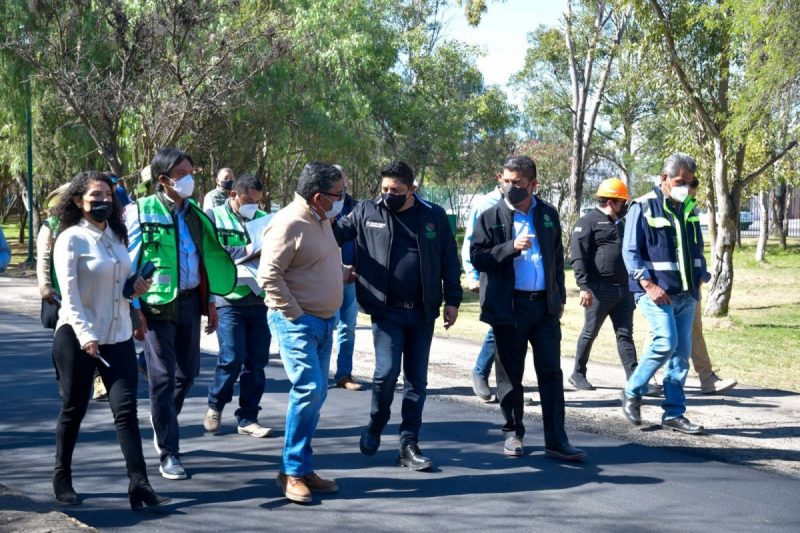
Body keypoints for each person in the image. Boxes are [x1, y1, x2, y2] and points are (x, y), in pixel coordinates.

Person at [50, 171, 168, 510]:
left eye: (107, 196)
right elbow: (70, 296)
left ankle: (139, 483)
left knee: (126, 410)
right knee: (74, 409)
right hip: (77, 337)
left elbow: (120, 287)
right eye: (94, 197)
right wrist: (87, 336)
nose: (103, 201)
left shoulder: (117, 236)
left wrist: (136, 291)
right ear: (77, 201)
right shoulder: (71, 239)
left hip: (117, 336)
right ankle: (62, 476)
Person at [335, 161, 462, 472]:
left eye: (396, 191)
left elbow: (449, 258)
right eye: (385, 189)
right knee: (386, 373)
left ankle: (409, 444)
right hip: (384, 310)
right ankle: (376, 424)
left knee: (417, 381)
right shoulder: (366, 211)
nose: (389, 195)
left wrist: (453, 300)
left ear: (412, 190)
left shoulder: (433, 216)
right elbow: (329, 237)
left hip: (422, 311)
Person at [125, 147, 236, 480]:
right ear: (163, 180)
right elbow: (130, 263)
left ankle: (163, 421)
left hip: (190, 303)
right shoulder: (140, 211)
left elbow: (208, 261)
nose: (189, 179)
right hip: (155, 307)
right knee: (161, 379)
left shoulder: (196, 216)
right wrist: (133, 309)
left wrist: (212, 301)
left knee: (187, 375)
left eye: (192, 172)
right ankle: (169, 453)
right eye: (182, 174)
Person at [471, 155, 586, 461]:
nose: (510, 187)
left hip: (544, 308)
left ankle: (556, 439)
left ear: (533, 184)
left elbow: (557, 258)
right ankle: (513, 433)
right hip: (510, 307)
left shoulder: (547, 214)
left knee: (551, 373)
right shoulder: (491, 216)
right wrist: (510, 248)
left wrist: (558, 297)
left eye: (517, 183)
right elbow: (478, 258)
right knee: (510, 374)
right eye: (505, 181)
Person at [258, 162, 345, 504]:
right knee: (309, 390)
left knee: (317, 394)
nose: (342, 199)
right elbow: (269, 275)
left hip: (325, 321)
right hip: (299, 323)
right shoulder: (288, 223)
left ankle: (302, 467)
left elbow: (311, 263)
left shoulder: (321, 219)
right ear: (319, 196)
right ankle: (291, 472)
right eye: (338, 194)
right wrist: (295, 315)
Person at [620, 153, 709, 435]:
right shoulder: (643, 206)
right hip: (655, 292)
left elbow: (696, 248)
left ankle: (673, 413)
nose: (685, 186)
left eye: (690, 182)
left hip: (686, 294)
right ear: (664, 179)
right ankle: (632, 391)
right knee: (665, 342)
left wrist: (701, 275)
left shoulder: (689, 207)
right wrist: (648, 285)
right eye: (680, 181)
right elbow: (630, 251)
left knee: (681, 356)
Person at [203, 174, 274, 437]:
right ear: (233, 195)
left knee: (256, 362)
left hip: (258, 298)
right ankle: (215, 404)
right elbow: (212, 253)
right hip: (228, 298)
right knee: (232, 358)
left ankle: (248, 417)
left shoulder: (264, 218)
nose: (252, 206)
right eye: (247, 201)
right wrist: (245, 251)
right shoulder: (213, 216)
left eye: (256, 201)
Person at [569, 178, 639, 390]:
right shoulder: (588, 221)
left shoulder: (621, 223)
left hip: (624, 290)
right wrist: (584, 287)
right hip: (598, 290)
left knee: (625, 335)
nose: (624, 206)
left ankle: (636, 380)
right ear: (612, 201)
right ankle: (577, 374)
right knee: (590, 333)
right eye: (622, 202)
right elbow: (578, 256)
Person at [461, 173, 503, 402]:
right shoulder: (485, 204)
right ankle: (480, 372)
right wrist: (472, 275)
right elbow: (470, 242)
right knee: (497, 327)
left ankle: (508, 383)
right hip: (490, 273)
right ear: (500, 178)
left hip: (517, 278)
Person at [330, 166, 362, 391]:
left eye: (342, 182)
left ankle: (344, 374)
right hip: (324, 277)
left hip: (350, 277)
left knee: (347, 327)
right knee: (323, 326)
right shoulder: (319, 206)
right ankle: (319, 374)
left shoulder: (358, 208)